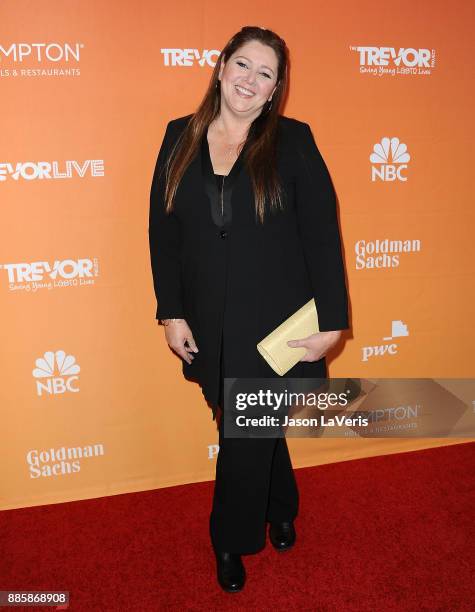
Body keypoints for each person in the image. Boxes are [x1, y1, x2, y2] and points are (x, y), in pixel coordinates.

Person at [148, 26, 350, 593]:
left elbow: (320, 237)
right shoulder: (178, 137)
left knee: (244, 432)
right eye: (243, 65)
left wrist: (332, 323)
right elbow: (162, 232)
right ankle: (281, 502)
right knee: (250, 424)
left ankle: (230, 538)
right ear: (220, 68)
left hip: (275, 324)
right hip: (207, 321)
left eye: (265, 73)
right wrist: (171, 311)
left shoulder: (294, 140)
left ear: (275, 88)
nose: (250, 79)